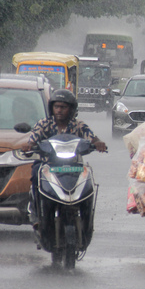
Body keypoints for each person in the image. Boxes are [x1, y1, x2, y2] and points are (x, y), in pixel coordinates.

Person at [21, 89, 107, 223]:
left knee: (87, 177)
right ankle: (36, 210)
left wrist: (98, 143)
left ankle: (86, 217)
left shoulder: (78, 125)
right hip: (47, 165)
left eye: (63, 107)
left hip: (73, 166)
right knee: (35, 173)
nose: (59, 110)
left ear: (71, 109)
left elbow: (92, 137)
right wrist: (29, 146)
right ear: (52, 108)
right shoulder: (43, 124)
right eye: (56, 107)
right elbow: (32, 140)